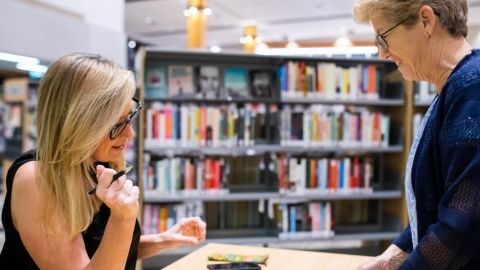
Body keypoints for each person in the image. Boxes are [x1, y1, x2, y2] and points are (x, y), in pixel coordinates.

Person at [0, 53, 207, 269]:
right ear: (78, 123)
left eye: (129, 118)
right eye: (117, 125)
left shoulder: (93, 164)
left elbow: (102, 251)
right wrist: (123, 218)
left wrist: (164, 240)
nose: (130, 135)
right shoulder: (35, 178)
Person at [352, 0, 480, 269]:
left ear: (425, 20)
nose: (381, 54)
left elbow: (464, 223)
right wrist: (396, 254)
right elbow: (444, 200)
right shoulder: (456, 87)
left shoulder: (473, 92)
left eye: (382, 38)